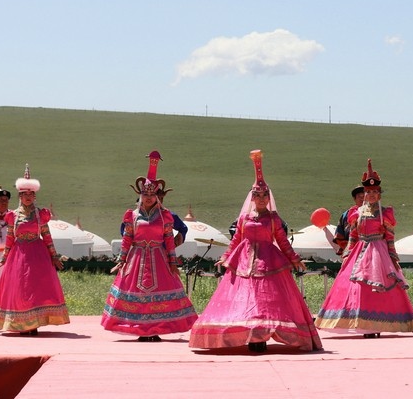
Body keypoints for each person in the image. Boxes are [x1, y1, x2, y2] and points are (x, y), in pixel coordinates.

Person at [190, 150, 322, 352]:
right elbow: (237, 239)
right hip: (243, 261)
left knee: (265, 300)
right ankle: (250, 334)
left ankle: (261, 335)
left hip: (269, 262)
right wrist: (225, 257)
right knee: (245, 298)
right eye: (257, 195)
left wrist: (294, 259)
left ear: (268, 198)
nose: (261, 199)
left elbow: (282, 241)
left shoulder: (274, 219)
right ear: (252, 198)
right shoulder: (244, 219)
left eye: (264, 195)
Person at [316, 159, 413, 337]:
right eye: (368, 192)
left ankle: (378, 323)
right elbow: (353, 236)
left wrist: (393, 258)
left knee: (380, 287)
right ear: (364, 194)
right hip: (359, 251)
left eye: (374, 192)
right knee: (357, 287)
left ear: (379, 194)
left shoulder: (385, 213)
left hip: (380, 253)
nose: (371, 195)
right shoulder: (356, 213)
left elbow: (390, 237)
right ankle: (361, 322)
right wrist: (347, 254)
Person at [101, 151, 197, 341]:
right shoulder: (132, 216)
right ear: (140, 195)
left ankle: (155, 329)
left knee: (160, 293)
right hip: (136, 258)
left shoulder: (165, 216)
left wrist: (172, 262)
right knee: (135, 294)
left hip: (159, 258)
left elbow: (168, 240)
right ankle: (139, 329)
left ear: (157, 197)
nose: (148, 197)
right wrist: (121, 260)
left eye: (152, 194)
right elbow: (127, 238)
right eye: (145, 194)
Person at [0, 164, 70, 335]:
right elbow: (10, 238)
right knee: (20, 288)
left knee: (35, 288)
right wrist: (4, 257)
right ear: (20, 196)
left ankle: (34, 323)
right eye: (25, 194)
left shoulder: (41, 214)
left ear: (34, 196)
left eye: (31, 194)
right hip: (19, 255)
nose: (28, 197)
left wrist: (54, 256)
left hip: (37, 254)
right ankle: (21, 323)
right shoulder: (13, 216)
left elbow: (47, 236)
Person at [332, 185, 364, 257]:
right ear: (354, 199)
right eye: (359, 196)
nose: (362, 199)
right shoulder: (346, 215)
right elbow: (339, 236)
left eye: (364, 196)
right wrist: (349, 248)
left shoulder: (375, 213)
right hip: (350, 251)